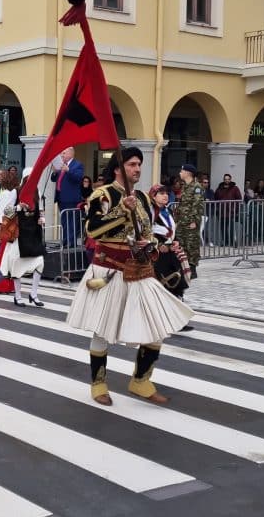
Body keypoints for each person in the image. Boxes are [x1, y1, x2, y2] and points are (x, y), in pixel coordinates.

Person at [66, 147, 193, 406]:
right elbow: (92, 231)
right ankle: (99, 383)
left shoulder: (144, 198)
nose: (137, 169)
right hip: (109, 269)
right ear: (118, 168)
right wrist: (122, 210)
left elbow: (147, 232)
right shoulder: (102, 194)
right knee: (103, 330)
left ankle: (141, 381)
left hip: (140, 270)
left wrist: (159, 245)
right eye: (133, 164)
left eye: (139, 164)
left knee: (156, 328)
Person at [0, 168, 47, 307]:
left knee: (40, 263)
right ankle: (18, 296)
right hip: (19, 234)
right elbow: (5, 211)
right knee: (17, 266)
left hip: (34, 232)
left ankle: (34, 294)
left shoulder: (38, 192)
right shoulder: (15, 192)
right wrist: (18, 207)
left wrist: (42, 218)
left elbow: (40, 210)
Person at [147, 184, 191, 309]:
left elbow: (172, 230)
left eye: (166, 193)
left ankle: (179, 314)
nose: (165, 196)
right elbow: (147, 232)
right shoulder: (150, 213)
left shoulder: (168, 210)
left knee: (178, 281)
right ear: (153, 196)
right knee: (163, 283)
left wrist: (176, 241)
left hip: (171, 252)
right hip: (158, 254)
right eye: (161, 193)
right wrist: (159, 244)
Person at [50, 147, 85, 247]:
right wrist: (55, 172)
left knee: (72, 221)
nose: (62, 155)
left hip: (71, 198)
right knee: (64, 221)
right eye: (61, 153)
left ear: (71, 153)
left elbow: (78, 178)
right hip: (61, 197)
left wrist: (68, 170)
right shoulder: (61, 165)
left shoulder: (77, 165)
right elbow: (54, 179)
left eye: (64, 153)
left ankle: (71, 243)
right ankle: (65, 242)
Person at [175, 164, 203, 278]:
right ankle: (184, 267)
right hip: (182, 220)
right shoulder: (185, 186)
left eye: (182, 171)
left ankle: (192, 268)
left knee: (191, 244)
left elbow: (197, 205)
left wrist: (193, 220)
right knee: (182, 243)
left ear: (188, 173)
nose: (180, 173)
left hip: (191, 221)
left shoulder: (196, 187)